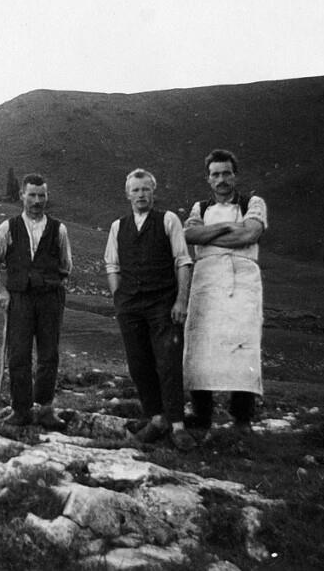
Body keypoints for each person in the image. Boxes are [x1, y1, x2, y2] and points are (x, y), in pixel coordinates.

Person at [104, 169, 195, 450]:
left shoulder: (168, 220)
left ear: (153, 192)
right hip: (130, 305)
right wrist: (119, 297)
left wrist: (181, 301)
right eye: (136, 190)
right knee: (138, 363)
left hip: (163, 303)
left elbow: (183, 261)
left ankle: (178, 425)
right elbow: (112, 265)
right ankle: (156, 419)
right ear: (127, 194)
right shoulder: (118, 226)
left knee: (168, 362)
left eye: (146, 189)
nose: (141, 194)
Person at [183, 149, 268, 435]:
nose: (221, 179)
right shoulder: (200, 208)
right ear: (208, 179)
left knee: (243, 346)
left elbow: (250, 234)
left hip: (242, 280)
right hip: (207, 281)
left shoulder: (252, 203)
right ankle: (202, 416)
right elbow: (189, 235)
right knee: (201, 345)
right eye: (215, 174)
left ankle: (242, 418)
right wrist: (228, 227)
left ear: (235, 176)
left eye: (226, 173)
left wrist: (212, 236)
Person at [0, 173, 72, 429]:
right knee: (19, 353)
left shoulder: (59, 229)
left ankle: (44, 409)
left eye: (41, 195)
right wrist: (2, 290)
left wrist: (50, 286)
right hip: (19, 298)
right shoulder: (8, 227)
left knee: (49, 354)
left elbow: (66, 266)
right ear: (22, 195)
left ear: (47, 197)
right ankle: (21, 410)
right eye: (31, 195)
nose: (37, 201)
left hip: (49, 299)